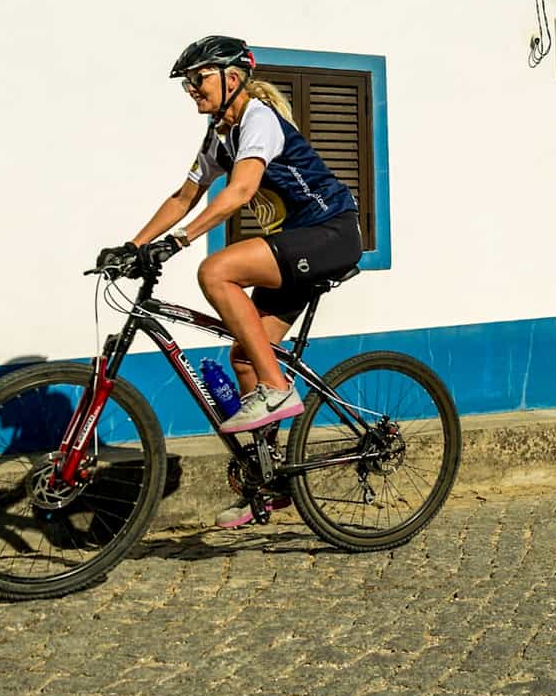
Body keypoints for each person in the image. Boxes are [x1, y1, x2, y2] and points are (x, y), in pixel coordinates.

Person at [97, 35, 363, 527]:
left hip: (329, 233)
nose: (192, 90)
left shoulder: (259, 119)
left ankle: (278, 388)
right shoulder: (220, 135)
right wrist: (134, 246)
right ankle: (273, 481)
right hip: (295, 246)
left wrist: (179, 243)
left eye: (198, 80)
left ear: (232, 78)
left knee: (215, 270)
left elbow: (240, 191)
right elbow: (184, 196)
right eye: (188, 84)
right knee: (245, 356)